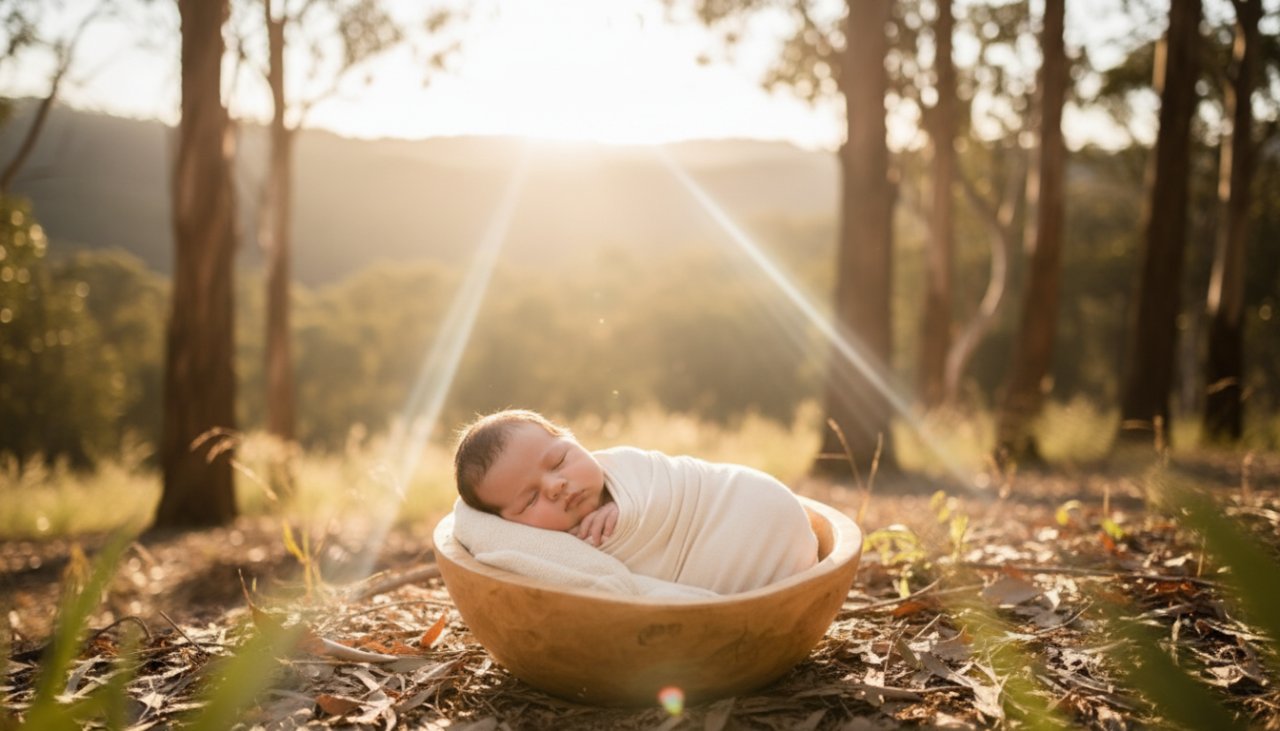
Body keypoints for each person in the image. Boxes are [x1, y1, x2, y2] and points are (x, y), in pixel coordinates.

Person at [453, 409, 818, 594]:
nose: (556, 486)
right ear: (509, 524)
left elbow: (667, 485)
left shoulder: (629, 468)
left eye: (560, 460)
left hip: (748, 506)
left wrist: (626, 509)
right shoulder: (554, 551)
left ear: (575, 440)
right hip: (739, 568)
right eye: (530, 499)